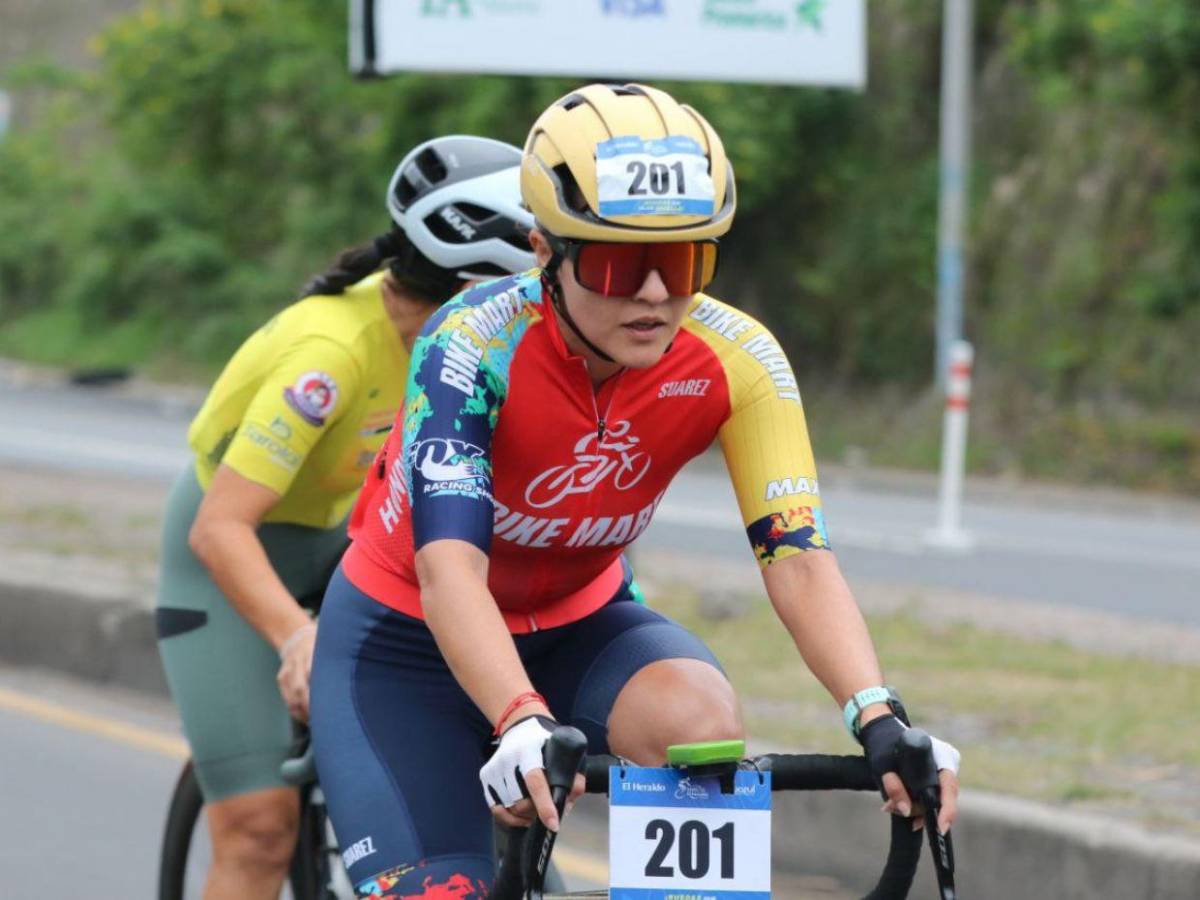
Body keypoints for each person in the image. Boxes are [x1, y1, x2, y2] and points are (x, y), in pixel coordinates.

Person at [309, 83, 961, 897]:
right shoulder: (471, 341)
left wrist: (878, 716)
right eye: (621, 264)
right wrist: (517, 716)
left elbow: (796, 556)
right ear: (545, 251)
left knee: (702, 725)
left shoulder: (738, 359)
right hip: (407, 646)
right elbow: (449, 572)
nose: (656, 294)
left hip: (583, 626)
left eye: (685, 261)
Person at [155, 135, 535, 900]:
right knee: (261, 828)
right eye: (527, 286)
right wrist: (296, 638)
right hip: (231, 555)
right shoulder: (329, 356)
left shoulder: (473, 344)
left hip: (347, 540)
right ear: (475, 279)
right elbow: (220, 528)